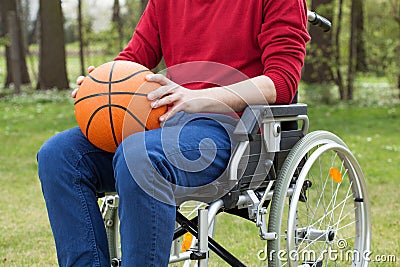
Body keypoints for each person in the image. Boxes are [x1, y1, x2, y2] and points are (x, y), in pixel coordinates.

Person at [37, 0, 310, 266]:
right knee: (60, 156)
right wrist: (102, 86)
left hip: (239, 134)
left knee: (140, 155)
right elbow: (134, 60)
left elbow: (281, 82)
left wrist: (199, 97)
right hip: (165, 126)